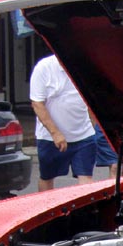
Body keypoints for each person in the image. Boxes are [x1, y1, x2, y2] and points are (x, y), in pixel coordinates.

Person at [29, 54, 96, 191]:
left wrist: (93, 124)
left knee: (86, 180)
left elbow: (92, 97)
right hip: (50, 137)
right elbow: (37, 104)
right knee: (47, 177)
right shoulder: (43, 68)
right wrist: (55, 133)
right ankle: (45, 209)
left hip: (83, 134)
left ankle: (85, 211)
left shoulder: (84, 66)